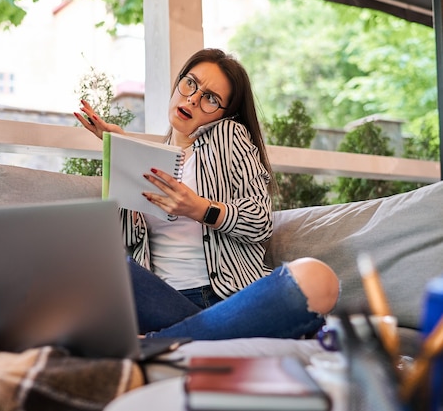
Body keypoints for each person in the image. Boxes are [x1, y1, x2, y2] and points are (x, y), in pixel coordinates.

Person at [74, 48, 339, 340]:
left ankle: (161, 342)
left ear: (225, 113)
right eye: (190, 83)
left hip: (226, 298)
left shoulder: (229, 137)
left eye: (211, 98)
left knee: (316, 278)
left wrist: (199, 208)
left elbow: (261, 221)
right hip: (161, 302)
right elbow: (128, 243)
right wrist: (124, 155)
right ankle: (197, 336)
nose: (193, 99)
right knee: (93, 266)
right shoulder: (151, 161)